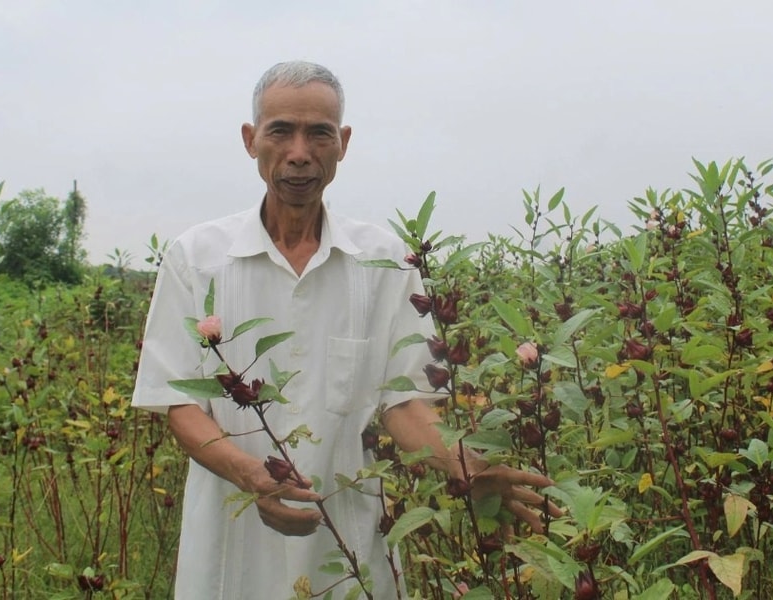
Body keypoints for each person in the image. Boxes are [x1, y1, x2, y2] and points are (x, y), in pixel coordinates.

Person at [131, 60, 557, 599]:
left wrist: (463, 470)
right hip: (230, 538)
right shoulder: (197, 258)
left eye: (319, 133)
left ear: (343, 143)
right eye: (280, 130)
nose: (299, 152)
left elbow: (407, 402)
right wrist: (249, 475)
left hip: (351, 539)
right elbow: (179, 401)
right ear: (250, 139)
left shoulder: (384, 262)